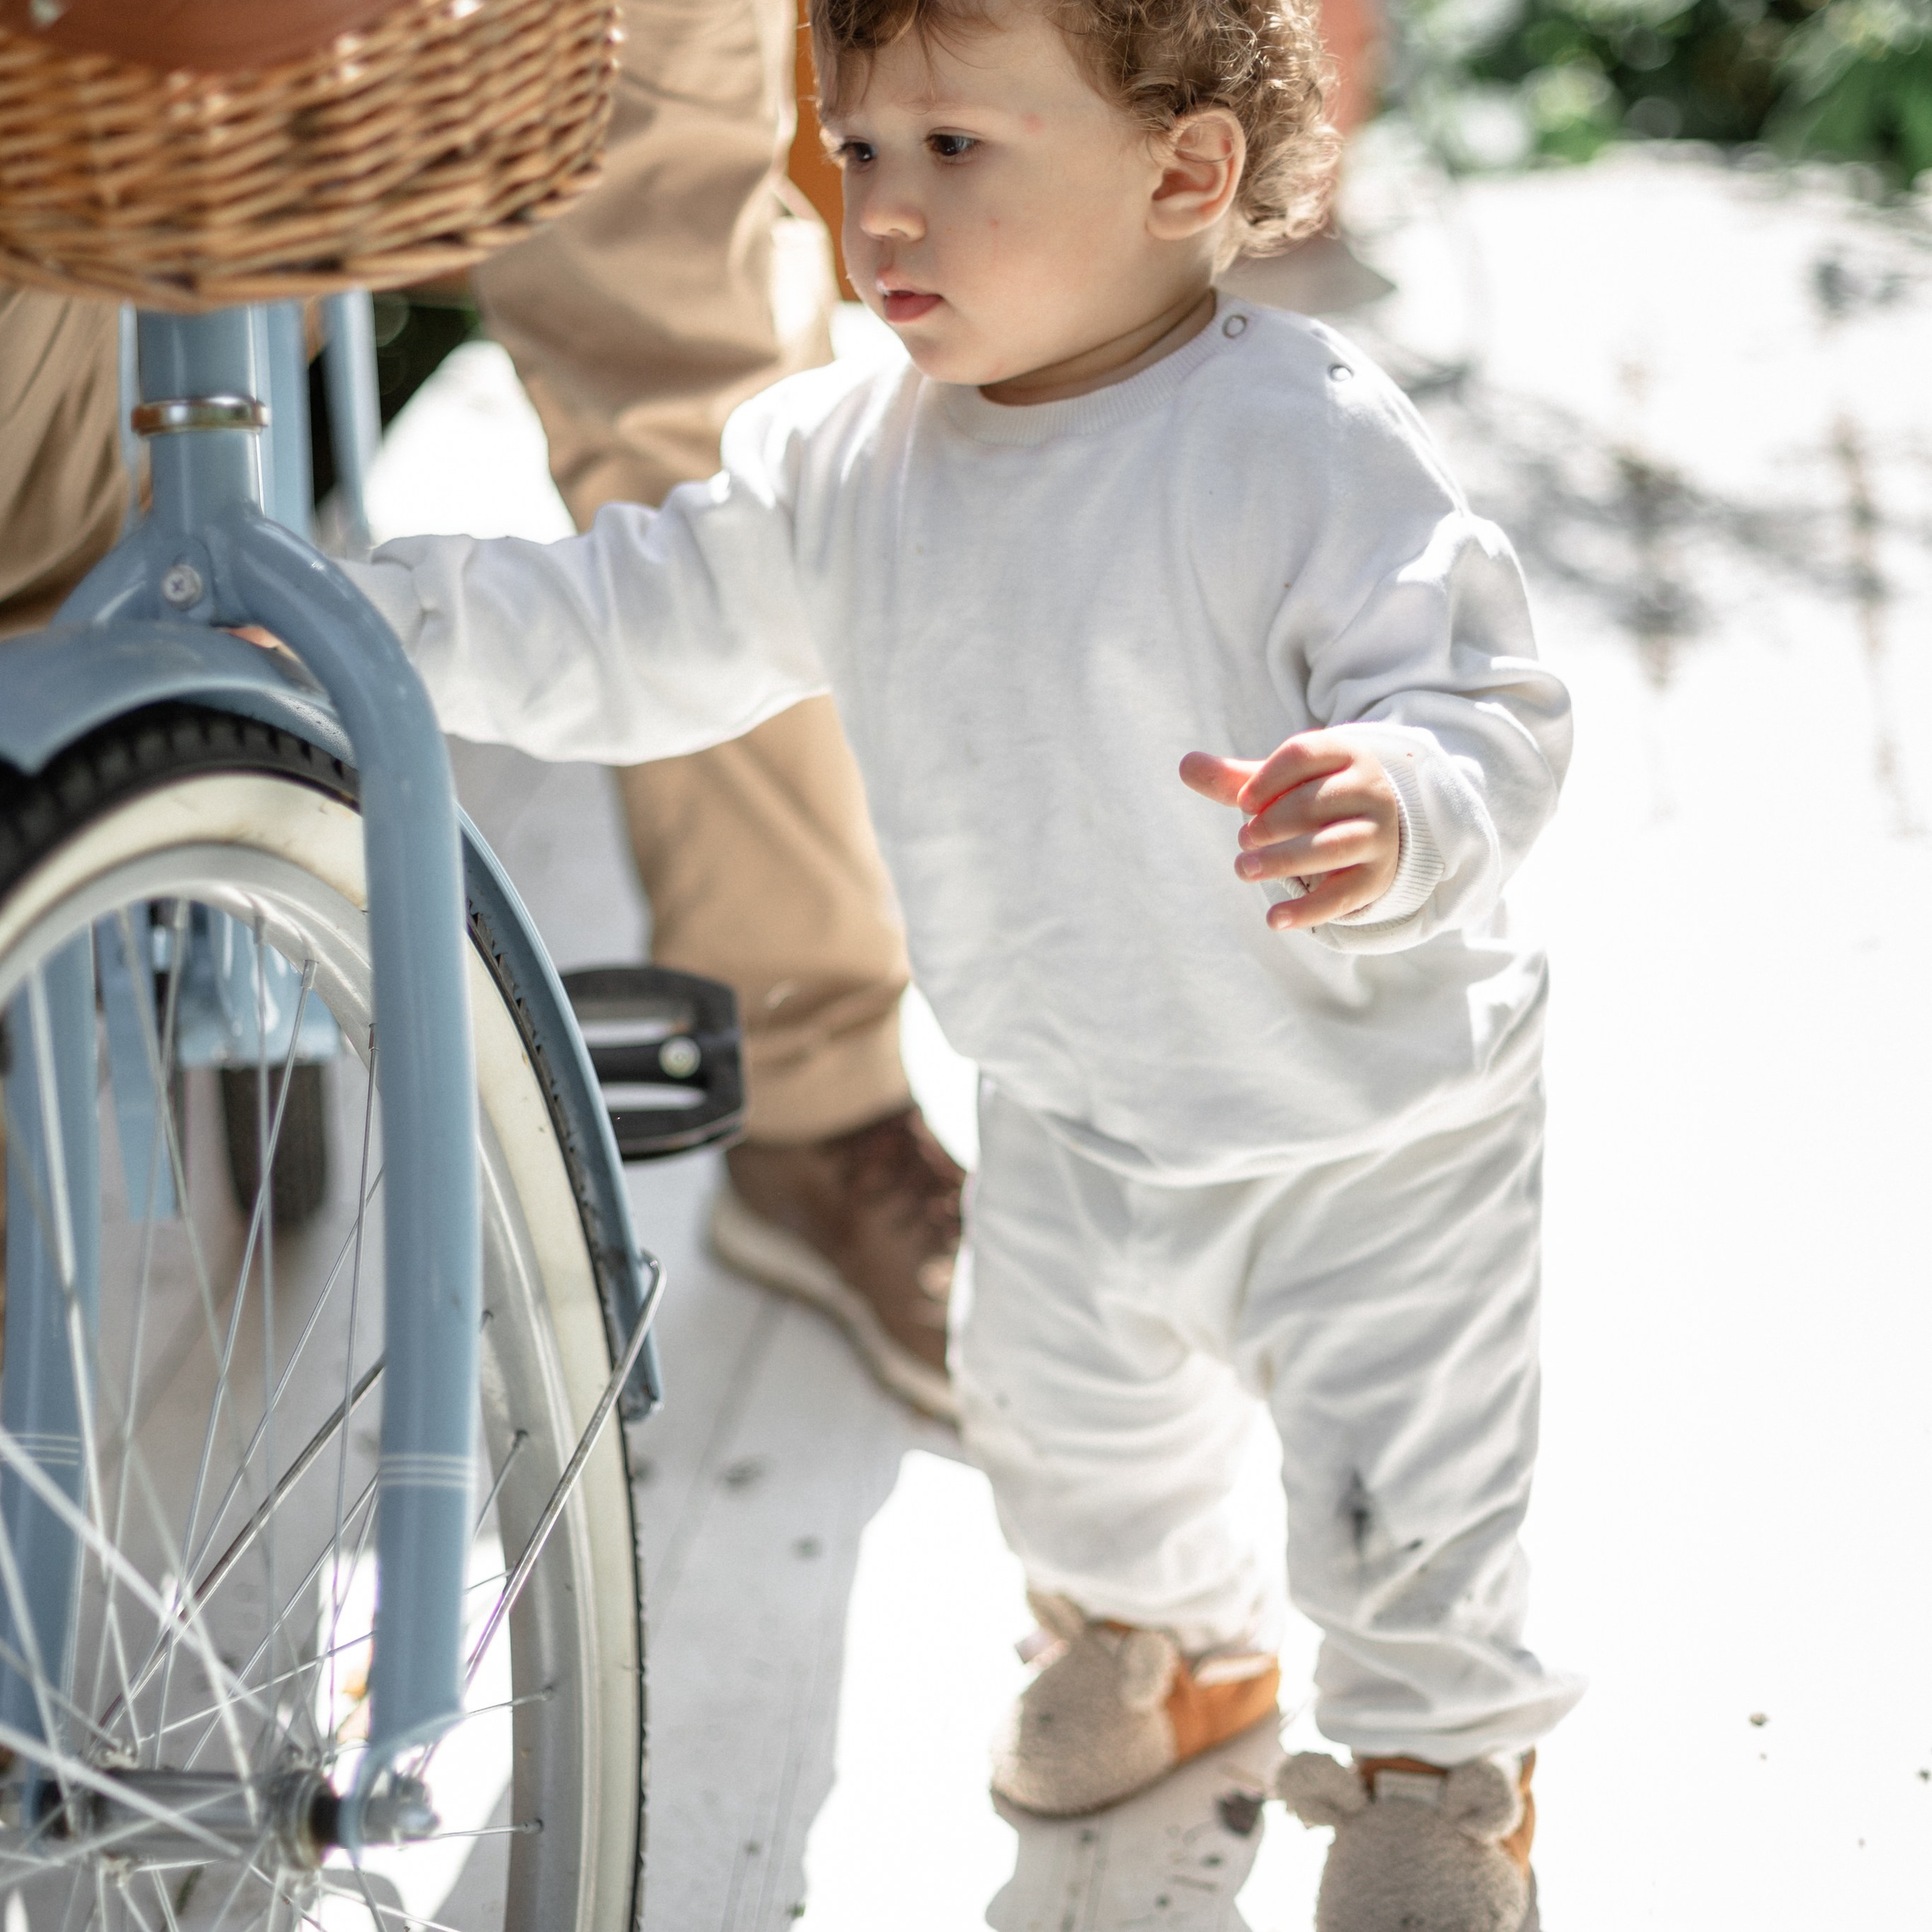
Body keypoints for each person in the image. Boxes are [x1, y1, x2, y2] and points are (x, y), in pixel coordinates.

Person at [343, 0, 1580, 1917]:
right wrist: (373, 626)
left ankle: (1434, 1764)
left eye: (957, 152)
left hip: (1367, 1131)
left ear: (1181, 175)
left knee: (1399, 1493)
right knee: (1068, 1433)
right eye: (855, 150)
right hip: (1071, 1097)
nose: (883, 216)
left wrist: (1399, 798)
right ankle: (1165, 1645)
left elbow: (1484, 695)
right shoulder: (851, 457)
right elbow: (620, 623)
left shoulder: (1293, 433)